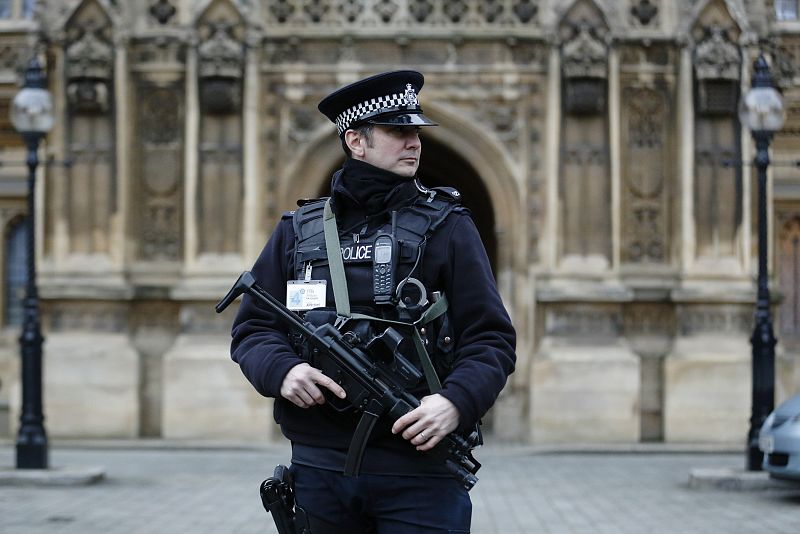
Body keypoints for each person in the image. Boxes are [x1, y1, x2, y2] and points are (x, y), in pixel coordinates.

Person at [230, 70, 516, 534]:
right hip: (320, 468)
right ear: (356, 142)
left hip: (420, 471)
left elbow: (491, 339)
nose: (414, 142)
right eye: (397, 131)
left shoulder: (448, 226)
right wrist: (283, 371)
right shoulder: (297, 231)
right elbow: (253, 329)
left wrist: (455, 403)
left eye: (416, 131)